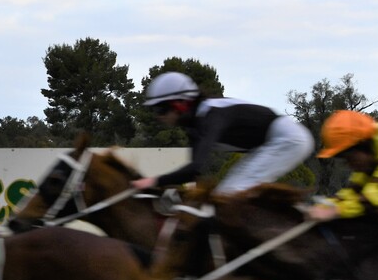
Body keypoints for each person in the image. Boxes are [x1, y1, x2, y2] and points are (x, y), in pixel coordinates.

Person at [130, 71, 314, 196]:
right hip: (271, 144)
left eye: (160, 110)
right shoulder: (194, 127)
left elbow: (194, 169)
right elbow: (193, 175)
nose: (158, 117)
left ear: (180, 104)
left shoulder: (210, 115)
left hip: (289, 138)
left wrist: (152, 181)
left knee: (229, 194)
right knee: (222, 195)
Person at [308, 110, 378, 224]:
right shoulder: (373, 148)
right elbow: (354, 191)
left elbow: (377, 196)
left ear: (363, 145)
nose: (349, 165)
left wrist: (336, 211)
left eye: (349, 158)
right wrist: (326, 205)